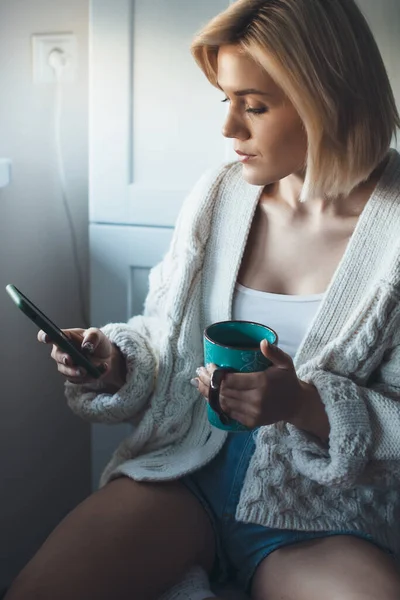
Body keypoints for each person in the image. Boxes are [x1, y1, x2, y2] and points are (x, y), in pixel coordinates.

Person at [6, 1, 400, 599]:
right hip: (186, 475)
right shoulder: (220, 195)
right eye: (227, 100)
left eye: (256, 106)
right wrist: (115, 362)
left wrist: (302, 403)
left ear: (330, 98)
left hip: (321, 517)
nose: (229, 130)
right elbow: (163, 335)